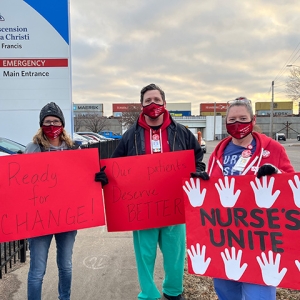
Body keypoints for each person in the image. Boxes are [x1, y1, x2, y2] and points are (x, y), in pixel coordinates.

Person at [109, 83, 208, 300]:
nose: (152, 104)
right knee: (144, 255)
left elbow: (197, 157)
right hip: (142, 208)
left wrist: (198, 171)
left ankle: (173, 291)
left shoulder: (181, 132)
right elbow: (115, 165)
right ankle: (148, 293)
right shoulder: (130, 135)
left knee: (175, 254)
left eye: (156, 100)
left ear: (165, 103)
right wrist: (105, 175)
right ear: (141, 105)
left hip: (174, 205)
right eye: (147, 101)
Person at [207, 96, 294, 300]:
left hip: (260, 239)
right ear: (226, 123)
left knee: (259, 295)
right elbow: (211, 192)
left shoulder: (273, 149)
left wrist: (277, 176)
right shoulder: (218, 153)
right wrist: (204, 182)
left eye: (243, 118)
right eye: (232, 120)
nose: (237, 124)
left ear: (253, 120)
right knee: (226, 293)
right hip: (225, 238)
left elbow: (292, 189)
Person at [25, 102, 78, 300]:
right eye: (47, 122)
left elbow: (82, 179)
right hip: (39, 219)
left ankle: (64, 297)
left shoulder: (74, 150)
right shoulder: (32, 148)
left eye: (56, 121)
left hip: (68, 217)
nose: (52, 125)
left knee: (66, 265)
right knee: (37, 270)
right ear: (41, 125)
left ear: (62, 124)